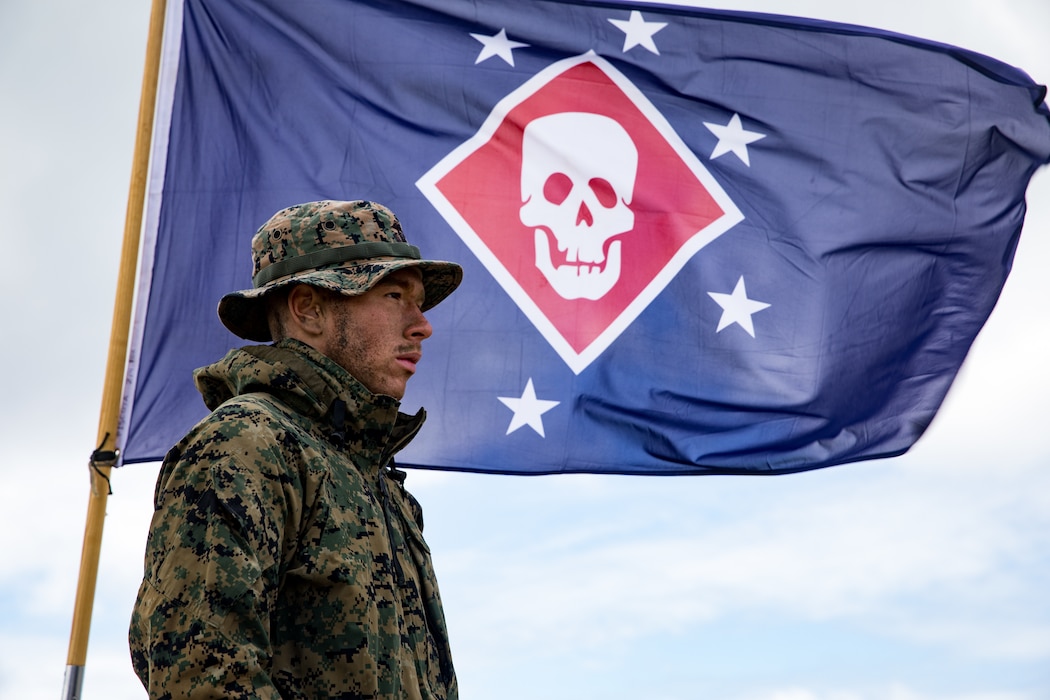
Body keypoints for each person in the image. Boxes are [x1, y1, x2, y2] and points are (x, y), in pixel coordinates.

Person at [129, 199, 462, 699]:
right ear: (308, 309)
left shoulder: (380, 488)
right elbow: (202, 679)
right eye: (394, 295)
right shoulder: (245, 447)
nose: (421, 325)